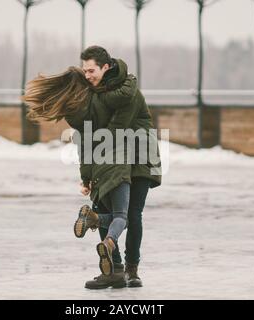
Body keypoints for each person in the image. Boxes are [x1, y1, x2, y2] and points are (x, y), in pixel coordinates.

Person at [21, 46, 161, 289]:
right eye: (84, 71)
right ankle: (114, 270)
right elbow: (88, 136)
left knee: (133, 214)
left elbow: (117, 131)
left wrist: (92, 146)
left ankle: (131, 270)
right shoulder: (94, 95)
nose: (88, 76)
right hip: (112, 154)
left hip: (139, 155)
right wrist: (87, 174)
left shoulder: (128, 93)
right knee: (104, 205)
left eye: (91, 70)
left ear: (106, 67)